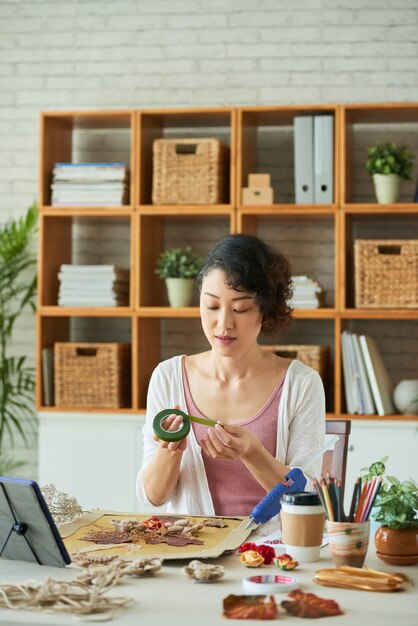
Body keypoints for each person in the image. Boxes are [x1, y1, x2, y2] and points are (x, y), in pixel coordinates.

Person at [136, 234, 325, 516]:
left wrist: (253, 453)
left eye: (240, 309)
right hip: (192, 549)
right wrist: (169, 451)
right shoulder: (168, 377)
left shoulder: (301, 384)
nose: (223, 324)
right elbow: (152, 498)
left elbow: (306, 499)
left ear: (265, 309)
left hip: (270, 552)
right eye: (211, 306)